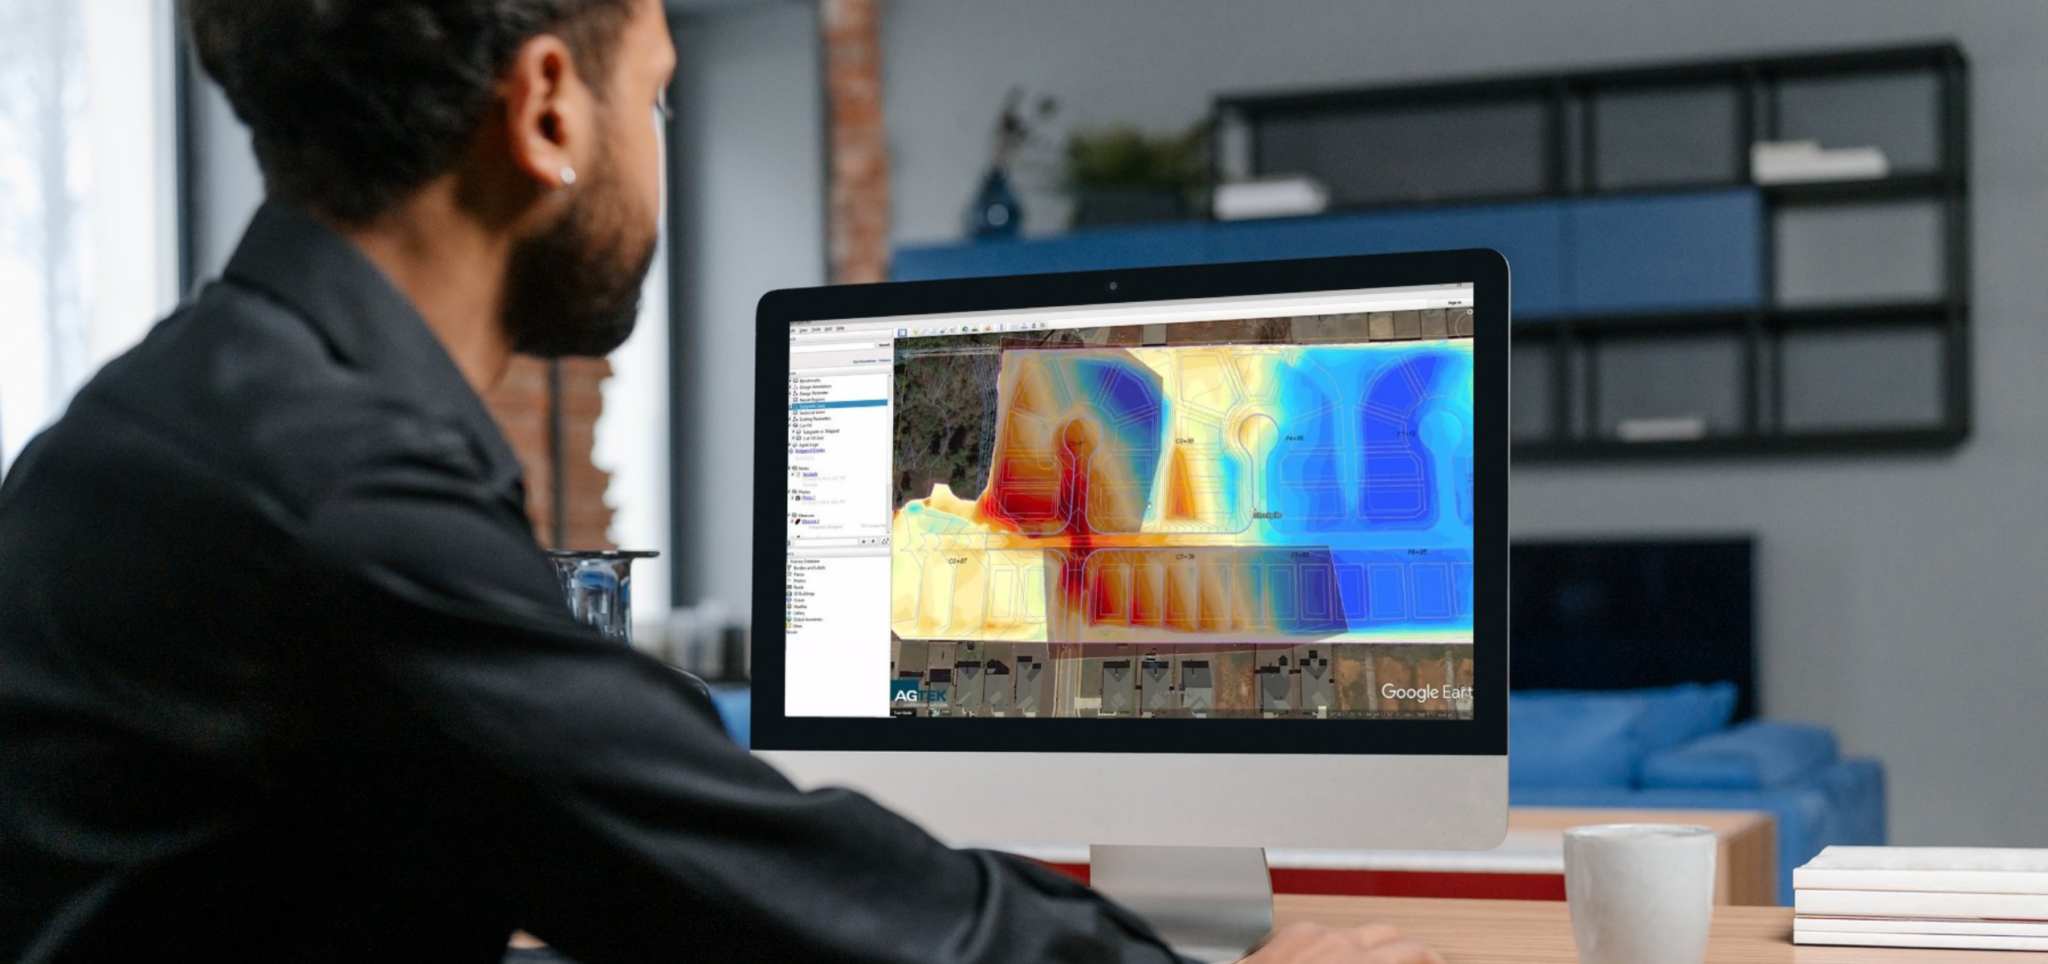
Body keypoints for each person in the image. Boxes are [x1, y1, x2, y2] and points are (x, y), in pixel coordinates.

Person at [0, 2, 1446, 962]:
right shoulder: (333, 500)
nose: (658, 149)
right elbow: (760, 889)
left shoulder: (188, 419)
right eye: (658, 99)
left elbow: (663, 812)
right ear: (549, 110)